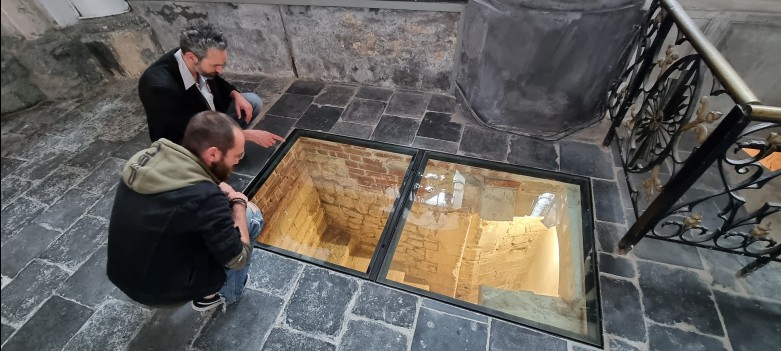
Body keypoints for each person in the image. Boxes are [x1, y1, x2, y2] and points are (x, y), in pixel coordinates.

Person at [107, 111, 263, 311]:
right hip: (161, 291)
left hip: (123, 274)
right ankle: (226, 292)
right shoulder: (205, 198)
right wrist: (239, 203)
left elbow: (180, 196)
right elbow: (238, 258)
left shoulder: (145, 159)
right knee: (251, 218)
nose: (237, 162)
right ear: (214, 154)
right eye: (236, 155)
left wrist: (215, 186)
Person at [138, 19, 284, 147]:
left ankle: (227, 143)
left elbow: (216, 80)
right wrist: (248, 135)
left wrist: (235, 94)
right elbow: (194, 133)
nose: (220, 71)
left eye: (223, 64)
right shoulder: (159, 89)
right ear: (191, 57)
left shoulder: (189, 55)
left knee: (251, 101)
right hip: (185, 140)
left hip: (208, 117)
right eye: (215, 65)